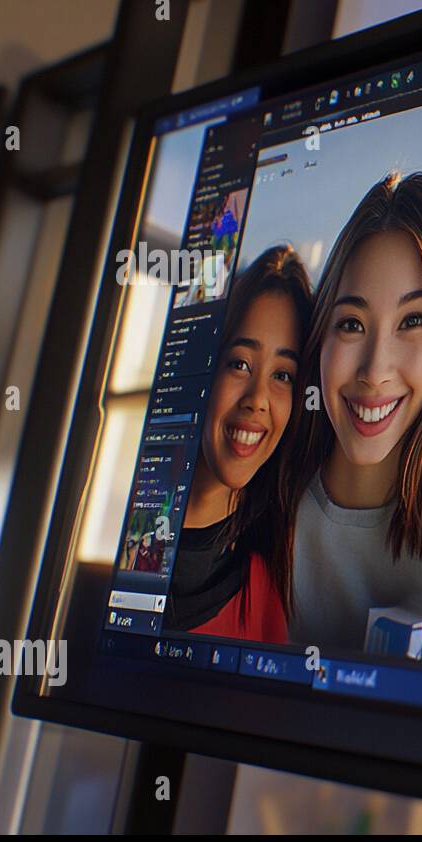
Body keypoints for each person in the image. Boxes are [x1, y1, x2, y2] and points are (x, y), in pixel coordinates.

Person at [286, 171, 422, 650]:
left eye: (412, 321)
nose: (375, 370)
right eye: (351, 323)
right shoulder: (262, 510)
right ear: (320, 339)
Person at [165, 244, 313, 643]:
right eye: (240, 364)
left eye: (283, 375)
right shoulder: (120, 532)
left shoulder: (267, 594)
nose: (257, 399)